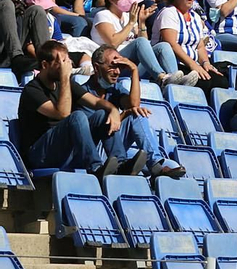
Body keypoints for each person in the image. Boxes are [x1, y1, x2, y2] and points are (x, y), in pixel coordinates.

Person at [17, 41, 122, 175]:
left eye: (67, 61)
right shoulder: (32, 90)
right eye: (61, 62)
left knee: (102, 114)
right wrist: (65, 76)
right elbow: (63, 114)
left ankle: (120, 164)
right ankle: (95, 167)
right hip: (39, 154)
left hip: (63, 149)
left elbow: (95, 102)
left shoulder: (64, 83)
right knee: (77, 116)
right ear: (45, 65)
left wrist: (113, 110)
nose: (68, 65)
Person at [84, 46, 185, 178]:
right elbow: (94, 129)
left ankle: (155, 165)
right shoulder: (83, 93)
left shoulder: (114, 89)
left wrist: (134, 71)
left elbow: (134, 104)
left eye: (119, 67)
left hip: (115, 150)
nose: (117, 72)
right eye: (112, 66)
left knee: (137, 113)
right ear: (97, 68)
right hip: (94, 152)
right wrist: (125, 114)